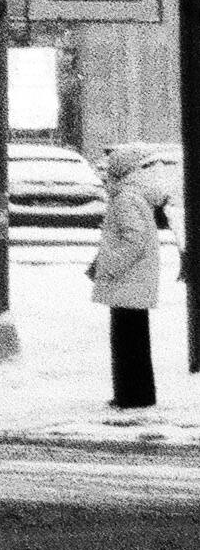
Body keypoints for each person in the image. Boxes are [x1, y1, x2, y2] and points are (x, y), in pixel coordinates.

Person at [94, 147, 168, 411]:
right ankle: (139, 394)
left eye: (108, 169)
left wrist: (109, 266)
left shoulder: (125, 199)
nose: (104, 175)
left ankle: (130, 396)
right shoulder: (135, 196)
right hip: (135, 282)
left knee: (126, 343)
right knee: (135, 341)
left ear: (119, 171)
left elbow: (133, 241)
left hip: (127, 282)